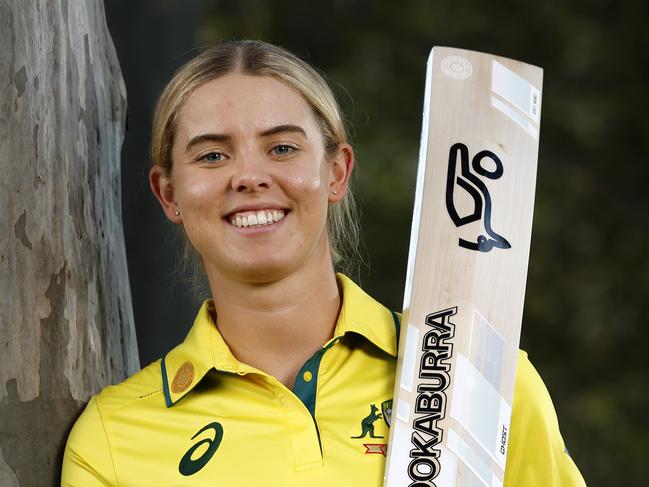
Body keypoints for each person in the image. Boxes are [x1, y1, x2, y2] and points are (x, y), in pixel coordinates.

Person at [61, 40, 585, 486]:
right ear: (169, 193)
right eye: (212, 155)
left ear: (336, 172)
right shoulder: (113, 438)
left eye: (282, 147)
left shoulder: (485, 379)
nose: (249, 176)